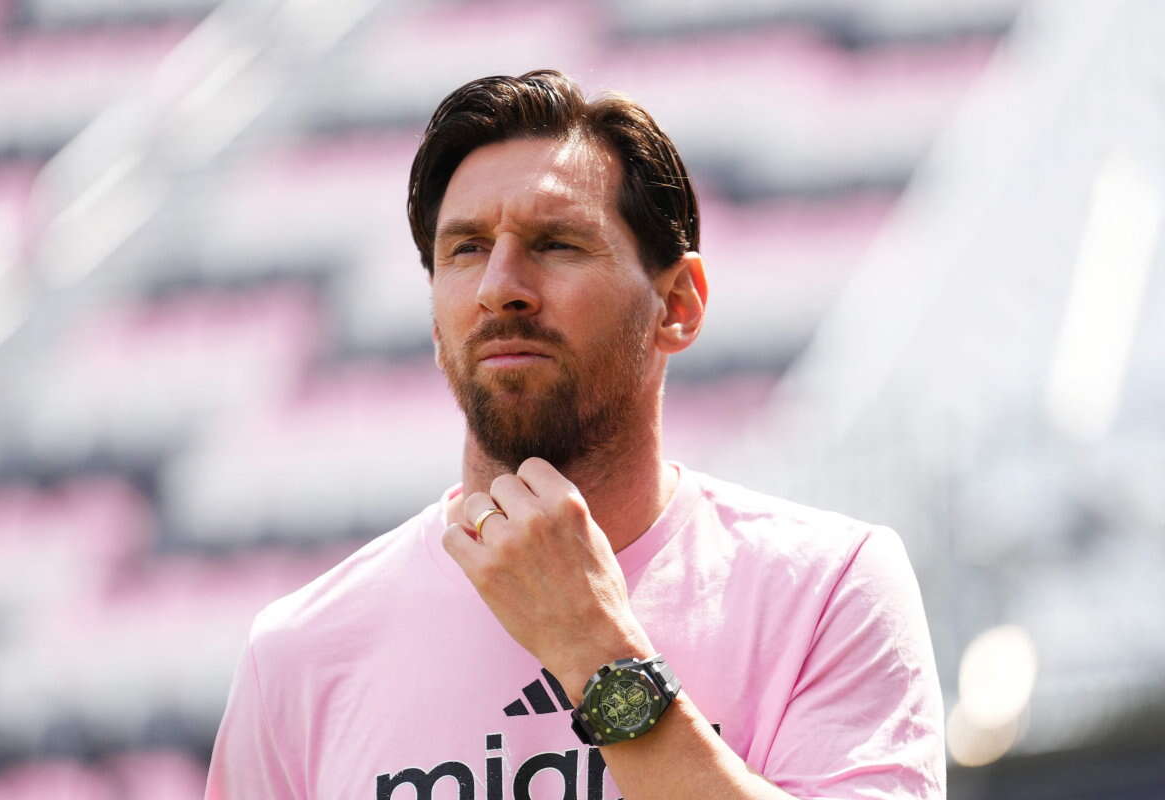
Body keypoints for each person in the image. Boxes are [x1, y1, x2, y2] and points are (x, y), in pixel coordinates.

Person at [204, 69, 945, 800]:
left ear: (678, 305)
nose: (499, 287)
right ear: (435, 322)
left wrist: (595, 651)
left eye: (556, 243)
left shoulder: (828, 588)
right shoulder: (298, 652)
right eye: (466, 249)